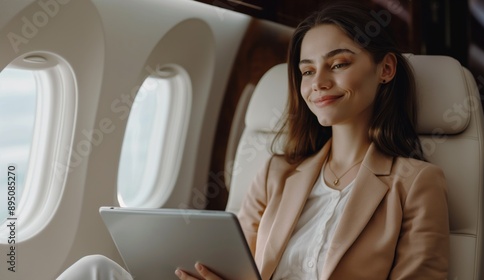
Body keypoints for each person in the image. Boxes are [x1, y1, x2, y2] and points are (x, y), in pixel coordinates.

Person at [58, 2, 449, 279]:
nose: (319, 83)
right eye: (307, 71)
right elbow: (234, 267)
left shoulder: (415, 184)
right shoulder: (276, 174)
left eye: (339, 63)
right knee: (95, 268)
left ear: (386, 68)